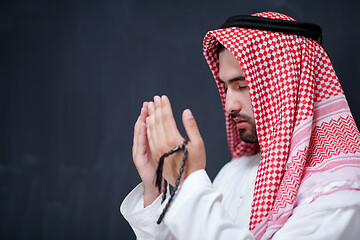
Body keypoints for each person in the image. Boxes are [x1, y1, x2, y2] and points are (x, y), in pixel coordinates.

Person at [121, 12, 360, 239]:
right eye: (225, 87)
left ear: (287, 87)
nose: (229, 106)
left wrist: (189, 182)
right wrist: (155, 189)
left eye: (242, 86)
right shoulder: (233, 172)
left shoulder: (340, 193)